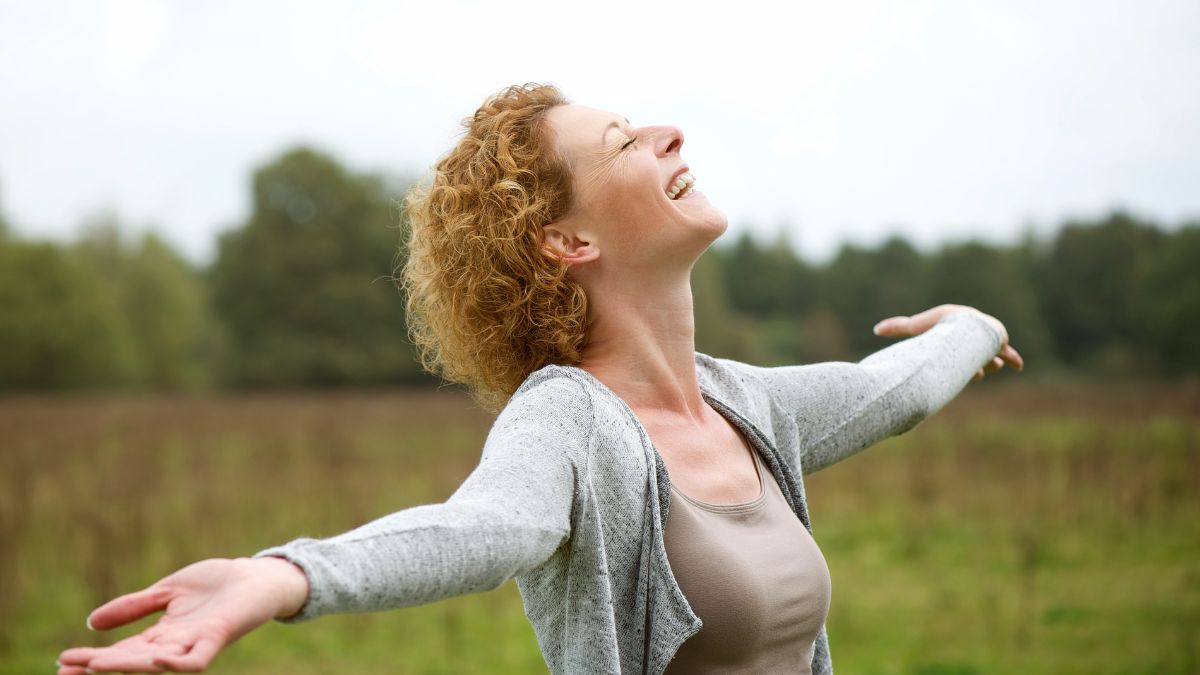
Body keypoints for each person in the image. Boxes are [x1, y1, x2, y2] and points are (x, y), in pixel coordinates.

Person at [57, 82, 1023, 675]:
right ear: (569, 240)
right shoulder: (569, 420)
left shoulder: (747, 402)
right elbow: (488, 527)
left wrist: (971, 324)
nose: (669, 133)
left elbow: (896, 386)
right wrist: (280, 574)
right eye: (625, 142)